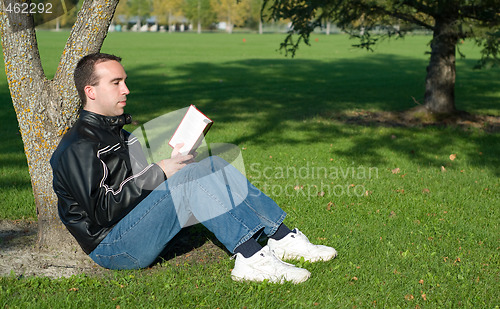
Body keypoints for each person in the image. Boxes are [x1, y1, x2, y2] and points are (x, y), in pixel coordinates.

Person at [50, 53, 337, 284]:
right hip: (113, 247)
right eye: (116, 82)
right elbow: (101, 211)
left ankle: (279, 236)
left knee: (210, 164)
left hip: (133, 225)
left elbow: (135, 184)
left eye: (124, 81)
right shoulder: (79, 147)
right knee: (188, 178)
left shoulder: (118, 132)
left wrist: (175, 163)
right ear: (91, 91)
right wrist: (161, 172)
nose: (126, 89)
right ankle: (250, 259)